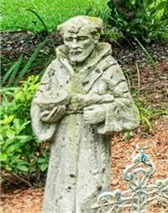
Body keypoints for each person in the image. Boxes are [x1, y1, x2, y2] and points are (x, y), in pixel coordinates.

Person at [31, 16, 139, 212]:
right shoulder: (56, 68)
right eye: (69, 40)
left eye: (81, 39)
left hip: (91, 143)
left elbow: (128, 108)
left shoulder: (108, 68)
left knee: (90, 193)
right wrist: (48, 115)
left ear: (95, 38)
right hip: (62, 143)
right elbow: (39, 102)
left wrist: (104, 113)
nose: (74, 46)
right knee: (60, 194)